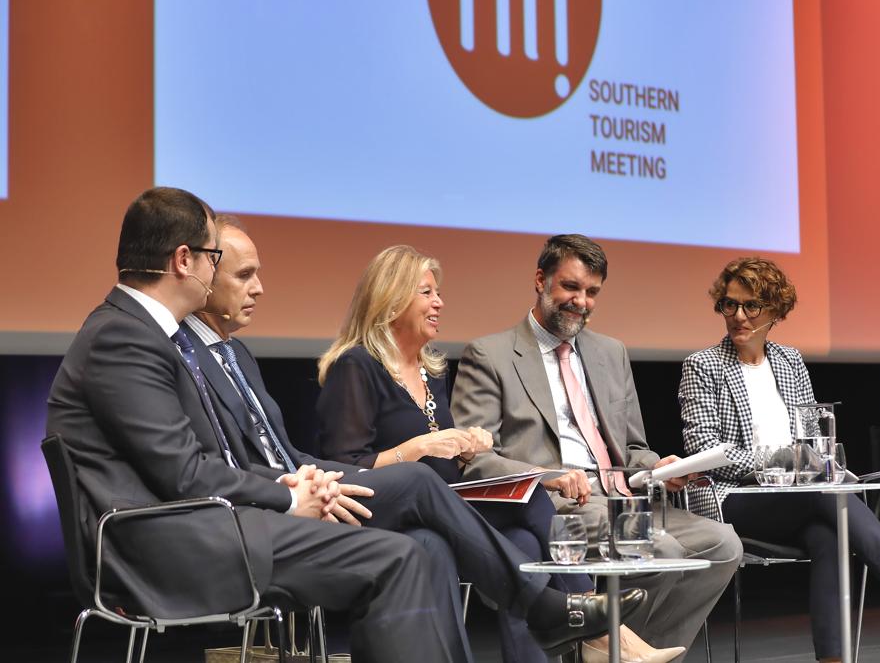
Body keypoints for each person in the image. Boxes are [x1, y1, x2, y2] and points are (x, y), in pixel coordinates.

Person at [49, 188, 639, 663]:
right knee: (404, 551)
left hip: (220, 520)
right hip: (173, 543)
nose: (221, 274)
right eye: (215, 259)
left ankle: (541, 607)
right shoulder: (126, 338)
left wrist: (301, 482)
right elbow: (184, 472)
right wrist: (290, 494)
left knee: (426, 537)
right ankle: (541, 607)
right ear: (184, 260)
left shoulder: (156, 338)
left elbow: (240, 458)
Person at [313, 243, 669, 663]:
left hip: (444, 502)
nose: (439, 302)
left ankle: (581, 622)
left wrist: (467, 446)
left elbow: (446, 459)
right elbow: (344, 469)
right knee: (438, 542)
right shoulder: (357, 366)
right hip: (384, 511)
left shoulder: (432, 372)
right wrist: (416, 448)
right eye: (426, 292)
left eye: (437, 292)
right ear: (390, 299)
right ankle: (593, 628)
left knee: (526, 511)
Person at [453, 234, 744, 660]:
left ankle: (618, 651)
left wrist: (661, 467)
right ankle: (610, 646)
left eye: (592, 293)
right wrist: (551, 479)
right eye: (571, 287)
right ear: (540, 279)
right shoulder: (490, 354)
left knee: (724, 545)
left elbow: (632, 450)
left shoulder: (611, 352)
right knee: (655, 549)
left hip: (622, 500)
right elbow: (474, 461)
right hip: (555, 507)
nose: (581, 302)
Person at [679, 257, 880, 662]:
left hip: (798, 497)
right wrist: (784, 461)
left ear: (775, 312)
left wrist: (810, 465)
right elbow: (705, 451)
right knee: (824, 496)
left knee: (830, 533)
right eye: (729, 305)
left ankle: (834, 659)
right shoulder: (703, 365)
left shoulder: (789, 361)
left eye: (752, 306)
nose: (738, 316)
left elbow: (814, 441)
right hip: (731, 498)